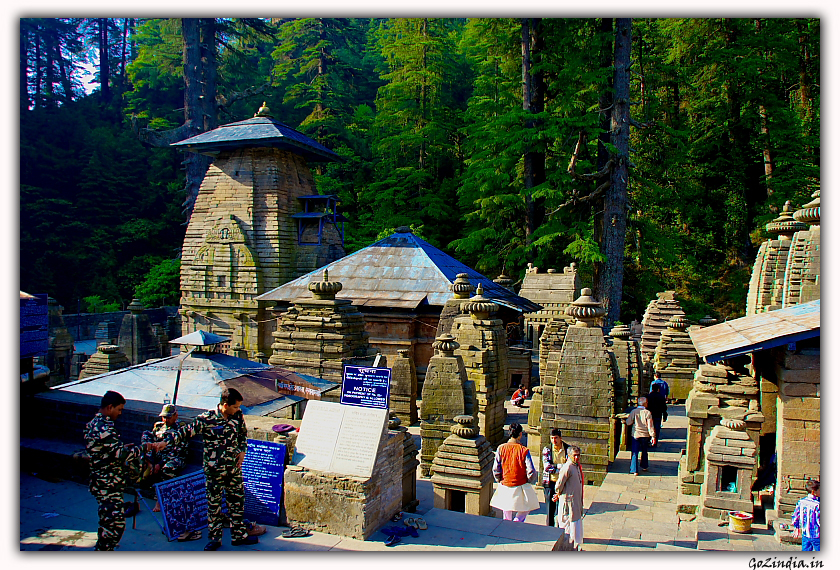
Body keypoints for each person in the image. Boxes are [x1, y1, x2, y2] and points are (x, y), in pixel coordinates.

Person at [166, 388, 259, 551]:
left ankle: (239, 536)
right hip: (214, 470)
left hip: (233, 469)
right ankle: (215, 538)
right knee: (214, 505)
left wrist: (243, 450)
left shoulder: (237, 416)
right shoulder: (206, 418)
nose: (238, 410)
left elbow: (242, 435)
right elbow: (185, 432)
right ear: (224, 405)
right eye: (235, 407)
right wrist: (164, 443)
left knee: (236, 502)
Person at [84, 390, 165, 551]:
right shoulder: (102, 428)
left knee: (109, 523)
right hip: (106, 483)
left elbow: (108, 451)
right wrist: (144, 447)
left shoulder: (98, 424)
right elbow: (122, 455)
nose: (120, 414)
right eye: (119, 409)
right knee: (114, 526)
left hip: (107, 481)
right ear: (109, 407)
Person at [141, 404, 189, 513]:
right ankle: (148, 469)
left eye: (168, 417)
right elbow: (151, 442)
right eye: (164, 417)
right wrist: (151, 461)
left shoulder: (181, 429)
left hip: (174, 457)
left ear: (175, 416)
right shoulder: (159, 427)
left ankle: (160, 498)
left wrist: (161, 464)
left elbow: (179, 450)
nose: (165, 420)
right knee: (145, 436)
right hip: (158, 455)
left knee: (169, 469)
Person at [489, 422, 540, 522]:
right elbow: (531, 470)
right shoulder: (524, 450)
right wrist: (528, 480)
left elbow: (496, 468)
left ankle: (507, 525)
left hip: (505, 482)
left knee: (506, 509)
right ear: (520, 434)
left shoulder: (501, 448)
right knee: (527, 506)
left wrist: (499, 479)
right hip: (520, 483)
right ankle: (518, 520)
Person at [553, 445, 584, 551]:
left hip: (576, 503)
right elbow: (559, 484)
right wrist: (558, 493)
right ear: (569, 455)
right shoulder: (567, 467)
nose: (577, 458)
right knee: (567, 528)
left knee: (575, 527)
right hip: (568, 503)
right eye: (575, 455)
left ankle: (574, 547)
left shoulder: (576, 466)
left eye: (578, 455)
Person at [541, 428, 569, 526]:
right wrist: (561, 467)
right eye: (552, 438)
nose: (554, 441)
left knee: (562, 509)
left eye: (556, 438)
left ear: (560, 438)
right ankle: (549, 529)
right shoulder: (547, 449)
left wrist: (557, 468)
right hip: (550, 483)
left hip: (563, 484)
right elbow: (547, 467)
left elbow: (569, 467)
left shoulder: (567, 449)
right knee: (550, 510)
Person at [625, 396, 656, 475]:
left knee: (635, 452)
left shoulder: (634, 411)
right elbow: (650, 426)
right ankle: (644, 466)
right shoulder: (647, 413)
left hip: (635, 434)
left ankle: (634, 470)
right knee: (644, 451)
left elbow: (628, 422)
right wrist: (653, 436)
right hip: (645, 435)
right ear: (645, 403)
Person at [791, 479, 820, 551]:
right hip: (817, 535)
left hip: (805, 534)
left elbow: (795, 516)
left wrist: (796, 527)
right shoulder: (817, 505)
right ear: (814, 492)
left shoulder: (801, 502)